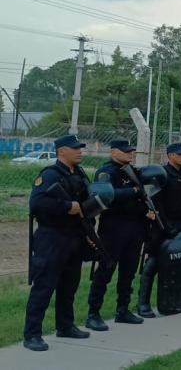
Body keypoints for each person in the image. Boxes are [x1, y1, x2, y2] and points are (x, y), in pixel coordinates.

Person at [23, 135, 92, 351]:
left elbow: (86, 200)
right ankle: (32, 334)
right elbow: (37, 203)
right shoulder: (50, 175)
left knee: (68, 286)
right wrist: (65, 206)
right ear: (62, 151)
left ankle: (65, 326)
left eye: (80, 148)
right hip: (52, 237)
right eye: (75, 148)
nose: (80, 151)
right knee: (43, 288)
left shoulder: (78, 174)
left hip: (74, 237)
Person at [86, 139, 153, 331]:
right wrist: (133, 190)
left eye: (132, 151)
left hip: (135, 227)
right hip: (114, 228)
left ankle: (122, 310)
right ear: (114, 152)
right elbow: (107, 195)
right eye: (126, 151)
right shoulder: (107, 172)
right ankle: (93, 313)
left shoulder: (132, 171)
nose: (131, 154)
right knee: (105, 271)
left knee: (128, 272)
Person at [138, 143, 181, 318]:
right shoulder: (162, 174)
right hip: (161, 225)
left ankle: (179, 299)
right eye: (180, 154)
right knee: (153, 264)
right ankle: (143, 303)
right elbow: (155, 203)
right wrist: (164, 226)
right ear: (170, 155)